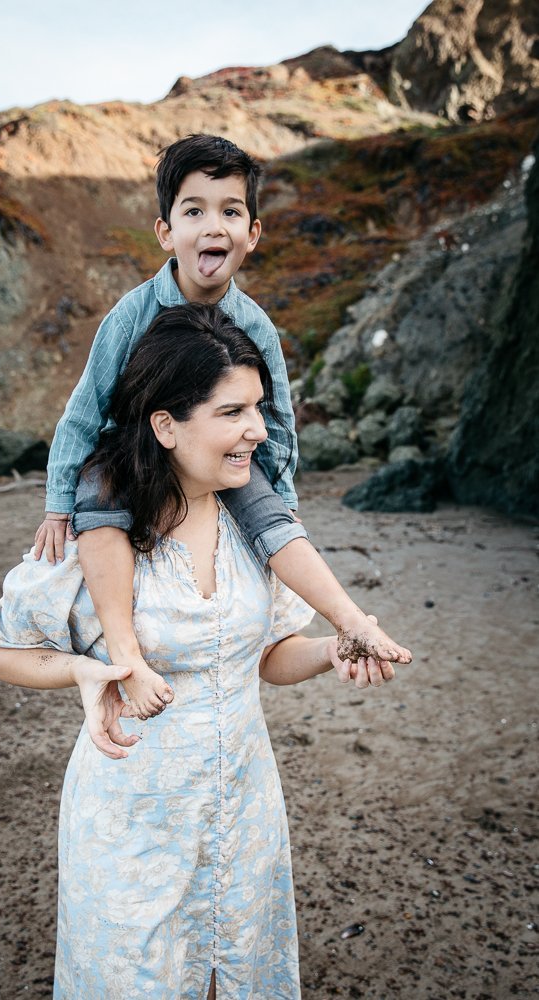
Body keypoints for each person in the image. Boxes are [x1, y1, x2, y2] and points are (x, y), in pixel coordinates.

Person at [0, 305, 402, 998]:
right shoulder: (96, 541)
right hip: (130, 825)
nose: (256, 431)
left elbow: (270, 655)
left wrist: (328, 652)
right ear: (166, 424)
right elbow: (2, 649)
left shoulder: (252, 528)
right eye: (232, 411)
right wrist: (87, 669)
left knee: (231, 976)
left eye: (258, 409)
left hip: (243, 806)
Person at [32, 133, 411, 722]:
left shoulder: (255, 325)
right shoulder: (129, 315)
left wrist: (282, 501)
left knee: (272, 519)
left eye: (231, 211)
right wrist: (59, 503)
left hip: (220, 458)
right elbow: (84, 411)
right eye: (194, 211)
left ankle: (352, 620)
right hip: (129, 448)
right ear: (165, 232)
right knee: (98, 503)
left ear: (252, 234)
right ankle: (124, 648)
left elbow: (276, 420)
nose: (214, 226)